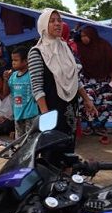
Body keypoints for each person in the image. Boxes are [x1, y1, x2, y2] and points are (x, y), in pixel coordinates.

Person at [28, 8, 97, 150]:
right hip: (51, 109)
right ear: (43, 26)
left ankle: (68, 172)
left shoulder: (66, 48)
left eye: (59, 20)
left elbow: (74, 79)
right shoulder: (37, 52)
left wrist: (87, 100)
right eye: (52, 21)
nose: (57, 24)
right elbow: (37, 88)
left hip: (70, 108)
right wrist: (46, 116)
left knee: (69, 149)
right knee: (52, 151)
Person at [77, 26, 112, 145]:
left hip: (105, 78)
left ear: (92, 35)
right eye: (82, 36)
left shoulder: (104, 45)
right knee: (88, 100)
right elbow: (72, 36)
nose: (83, 39)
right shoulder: (81, 46)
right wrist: (77, 29)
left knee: (106, 102)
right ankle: (89, 125)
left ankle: (102, 125)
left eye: (85, 36)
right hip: (88, 79)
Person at [5, 45, 39, 138]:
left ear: (25, 61)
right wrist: (5, 80)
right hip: (18, 115)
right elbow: (6, 93)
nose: (13, 63)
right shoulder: (13, 76)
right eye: (12, 60)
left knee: (31, 141)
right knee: (19, 142)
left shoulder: (31, 75)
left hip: (31, 115)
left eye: (16, 60)